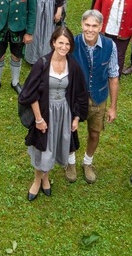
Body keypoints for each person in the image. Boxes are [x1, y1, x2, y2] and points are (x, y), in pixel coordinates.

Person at [19, 27, 89, 198]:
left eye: (67, 44)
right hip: (44, 111)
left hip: (63, 113)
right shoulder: (42, 64)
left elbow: (80, 93)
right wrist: (38, 119)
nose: (64, 47)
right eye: (60, 43)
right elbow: (31, 94)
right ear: (53, 43)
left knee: (54, 145)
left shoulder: (72, 65)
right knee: (42, 147)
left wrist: (76, 117)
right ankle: (37, 180)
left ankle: (46, 178)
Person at [68, 10, 118, 184]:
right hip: (74, 97)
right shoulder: (71, 43)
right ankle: (71, 161)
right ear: (81, 25)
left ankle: (87, 162)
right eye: (87, 25)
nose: (90, 29)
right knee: (70, 131)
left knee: (95, 133)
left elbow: (113, 75)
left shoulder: (110, 45)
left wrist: (113, 106)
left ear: (100, 27)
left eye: (94, 26)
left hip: (99, 95)